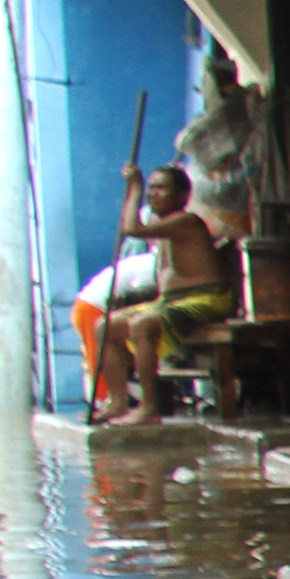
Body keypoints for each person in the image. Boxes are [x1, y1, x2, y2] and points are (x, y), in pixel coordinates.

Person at [97, 167, 237, 426]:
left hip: (205, 300)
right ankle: (117, 403)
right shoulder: (163, 229)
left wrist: (135, 187)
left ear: (183, 196)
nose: (153, 194)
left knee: (143, 324)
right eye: (150, 188)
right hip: (171, 302)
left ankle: (149, 407)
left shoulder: (185, 221)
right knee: (106, 325)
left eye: (160, 188)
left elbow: (132, 228)